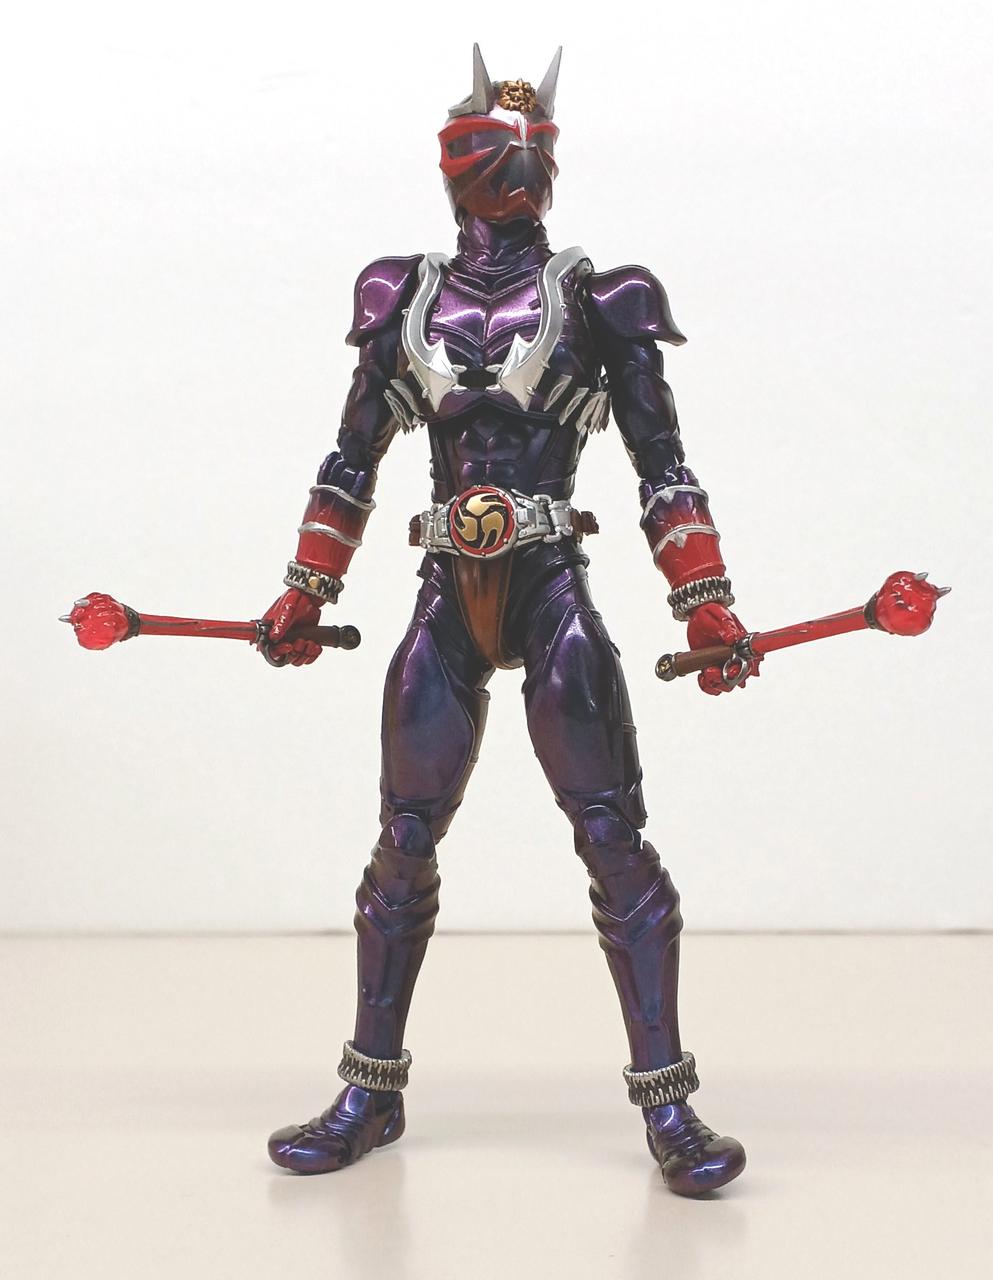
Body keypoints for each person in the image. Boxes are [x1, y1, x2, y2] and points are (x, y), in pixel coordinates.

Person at [261, 46, 758, 1197]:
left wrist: (708, 601)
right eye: (493, 147)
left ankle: (669, 1102)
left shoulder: (602, 300)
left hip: (548, 583)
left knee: (613, 836)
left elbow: (662, 462)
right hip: (447, 590)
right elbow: (352, 456)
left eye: (530, 148)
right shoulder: (403, 297)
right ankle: (371, 1087)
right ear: (456, 165)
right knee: (403, 840)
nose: (516, 162)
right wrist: (306, 588)